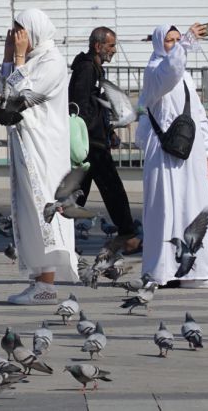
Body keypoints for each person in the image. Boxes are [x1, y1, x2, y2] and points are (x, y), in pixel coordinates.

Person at [135, 23, 208, 288]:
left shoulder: (184, 75)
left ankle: (198, 270)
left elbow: (197, 115)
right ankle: (160, 270)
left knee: (194, 207)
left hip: (190, 152)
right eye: (169, 41)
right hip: (163, 153)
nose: (174, 44)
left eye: (177, 40)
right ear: (157, 43)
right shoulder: (154, 71)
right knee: (163, 209)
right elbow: (169, 73)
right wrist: (185, 44)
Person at [0, 8, 78, 305]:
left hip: (45, 149)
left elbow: (21, 94)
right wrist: (10, 57)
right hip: (26, 144)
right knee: (28, 211)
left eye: (22, 32)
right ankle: (37, 280)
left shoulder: (53, 62)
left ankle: (47, 284)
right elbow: (3, 92)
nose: (18, 37)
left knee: (42, 208)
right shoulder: (32, 60)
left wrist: (18, 59)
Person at [68, 27, 140, 253]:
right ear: (98, 46)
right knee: (112, 188)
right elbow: (79, 105)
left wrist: (108, 131)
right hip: (91, 144)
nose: (114, 50)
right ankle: (128, 235)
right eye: (111, 46)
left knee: (79, 192)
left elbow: (96, 106)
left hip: (94, 141)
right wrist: (93, 134)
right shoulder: (87, 69)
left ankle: (58, 232)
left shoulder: (94, 69)